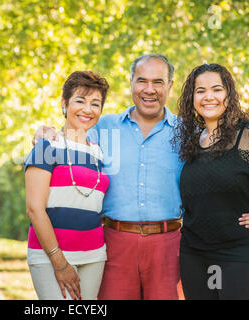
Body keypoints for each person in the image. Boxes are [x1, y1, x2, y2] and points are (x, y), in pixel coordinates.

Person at [33, 54, 184, 300]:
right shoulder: (104, 127)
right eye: (141, 80)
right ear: (131, 83)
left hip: (168, 246)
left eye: (158, 82)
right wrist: (45, 130)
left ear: (169, 86)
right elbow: (69, 138)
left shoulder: (186, 132)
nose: (149, 89)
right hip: (113, 244)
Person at [174, 63, 249, 300]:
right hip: (196, 257)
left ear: (229, 94)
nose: (209, 97)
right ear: (191, 97)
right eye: (200, 91)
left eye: (217, 89)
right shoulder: (190, 141)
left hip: (247, 255)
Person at [24, 71, 110, 300]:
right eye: (80, 101)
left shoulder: (99, 151)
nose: (87, 109)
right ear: (64, 103)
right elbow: (34, 209)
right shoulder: (46, 146)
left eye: (95, 103)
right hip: (50, 256)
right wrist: (59, 262)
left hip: (94, 255)